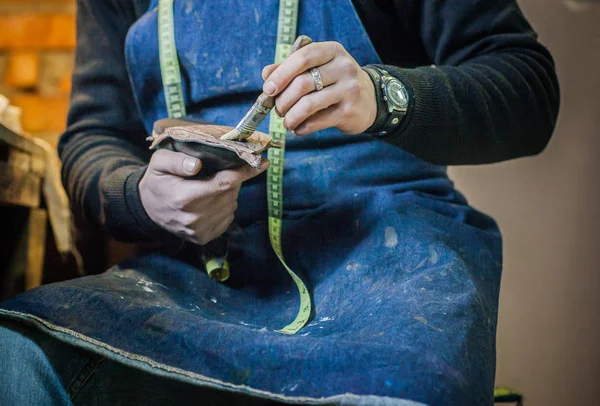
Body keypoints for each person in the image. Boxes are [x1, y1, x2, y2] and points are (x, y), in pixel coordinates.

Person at [0, 0, 559, 405]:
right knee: (17, 360)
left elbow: (529, 88)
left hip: (395, 261)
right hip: (192, 280)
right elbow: (91, 138)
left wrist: (381, 96)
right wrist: (142, 197)